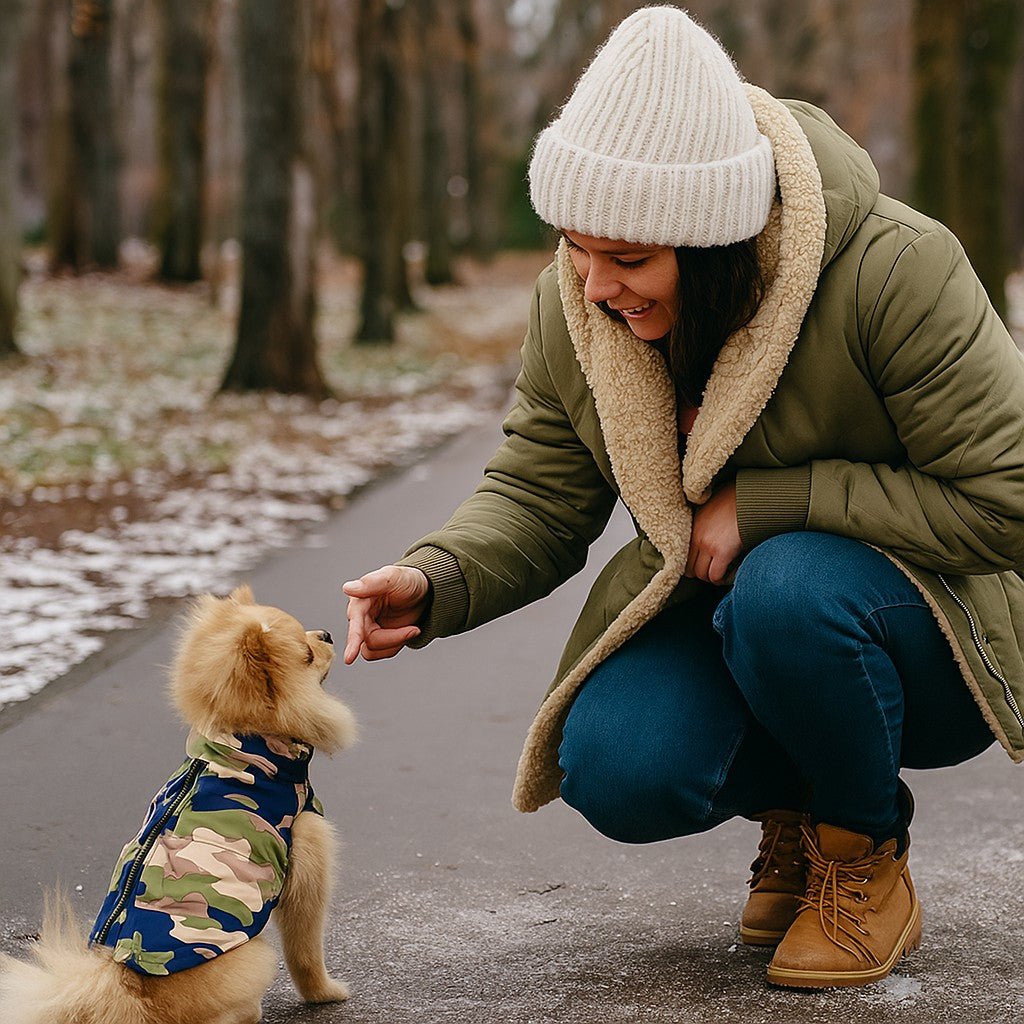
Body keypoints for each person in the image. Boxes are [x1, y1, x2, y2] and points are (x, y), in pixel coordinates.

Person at [343, 6, 1024, 990]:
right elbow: (539, 492)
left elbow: (1007, 499)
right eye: (577, 249)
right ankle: (799, 806)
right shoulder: (577, 305)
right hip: (738, 620)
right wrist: (434, 576)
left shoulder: (893, 270)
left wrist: (772, 501)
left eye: (628, 259)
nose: (595, 283)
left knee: (787, 586)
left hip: (925, 633)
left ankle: (862, 853)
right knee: (617, 762)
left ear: (713, 243)